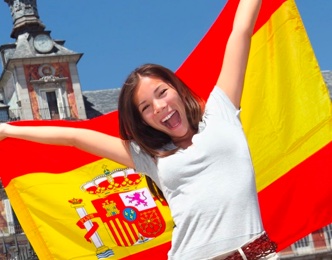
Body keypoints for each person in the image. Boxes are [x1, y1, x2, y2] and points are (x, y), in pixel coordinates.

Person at [0, 0, 279, 259]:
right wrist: (9, 130)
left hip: (258, 253)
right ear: (143, 121)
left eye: (162, 92)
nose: (159, 107)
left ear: (178, 91)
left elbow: (240, 32)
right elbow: (75, 137)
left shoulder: (222, 112)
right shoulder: (150, 156)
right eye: (145, 107)